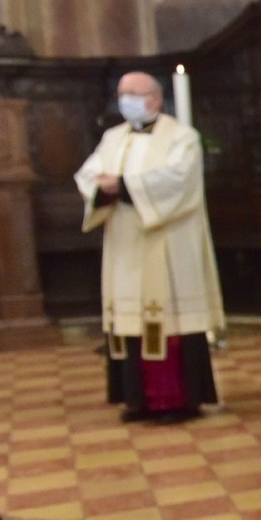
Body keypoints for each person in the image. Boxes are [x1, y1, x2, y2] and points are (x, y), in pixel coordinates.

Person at [75, 72, 224, 425]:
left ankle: (176, 399)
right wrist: (101, 186)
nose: (125, 99)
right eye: (121, 93)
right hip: (125, 244)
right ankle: (136, 398)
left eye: (133, 93)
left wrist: (123, 185)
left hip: (166, 242)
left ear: (155, 99)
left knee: (168, 317)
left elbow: (178, 181)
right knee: (129, 320)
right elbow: (88, 173)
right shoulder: (113, 137)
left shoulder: (182, 138)